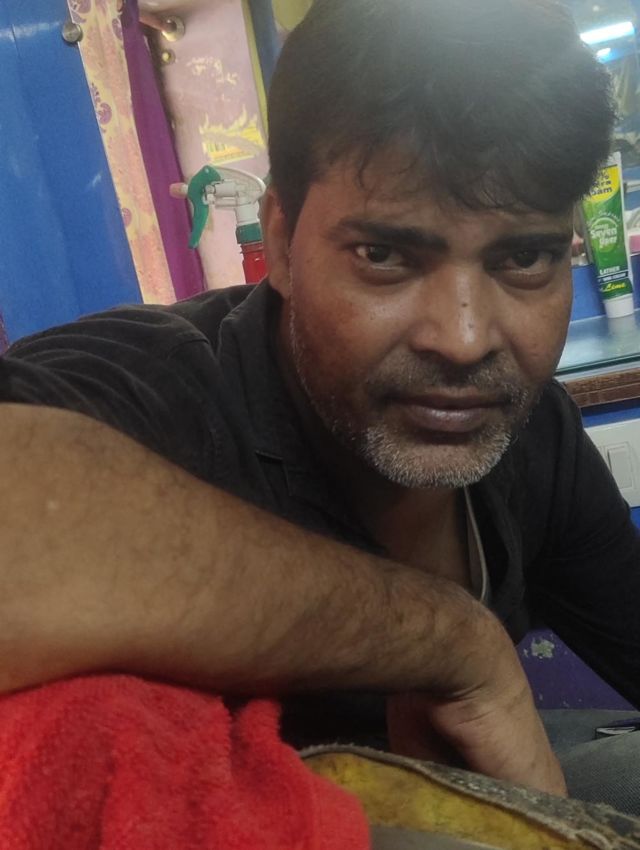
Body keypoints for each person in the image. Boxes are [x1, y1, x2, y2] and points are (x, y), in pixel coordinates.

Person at [0, 0, 636, 813]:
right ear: (280, 241)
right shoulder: (164, 389)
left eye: (524, 259)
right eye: (383, 254)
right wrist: (449, 639)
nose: (465, 339)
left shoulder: (534, 435)